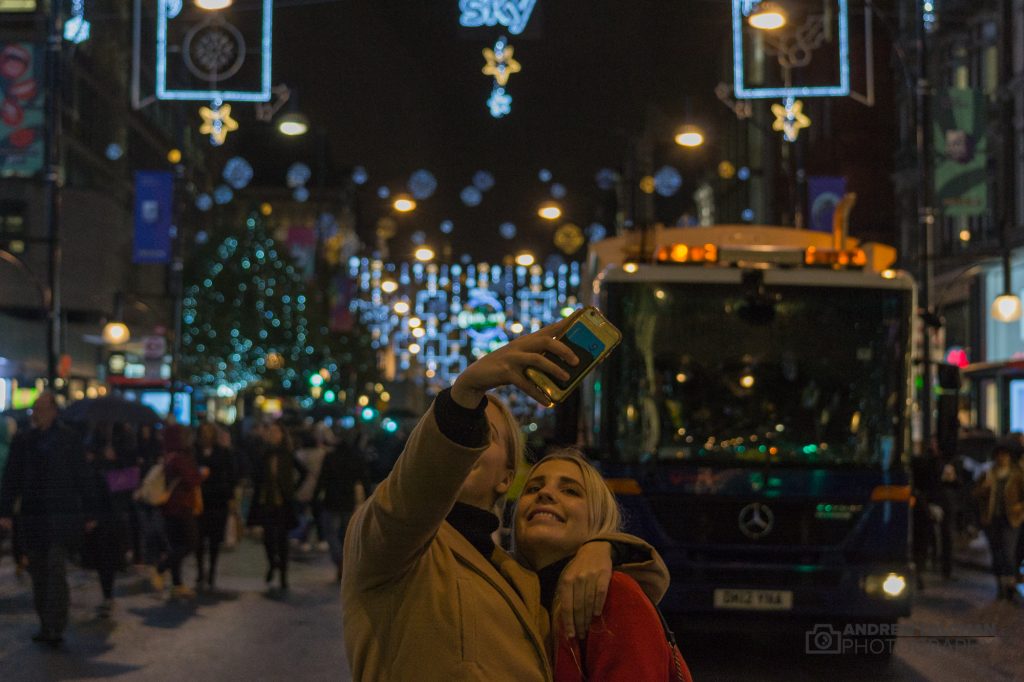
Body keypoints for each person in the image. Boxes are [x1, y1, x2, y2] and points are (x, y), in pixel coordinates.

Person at [342, 320, 668, 681]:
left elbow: (632, 598)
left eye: (486, 434)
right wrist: (465, 393)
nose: (468, 445)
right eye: (468, 430)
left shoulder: (520, 578)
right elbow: (411, 498)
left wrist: (606, 547)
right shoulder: (390, 543)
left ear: (507, 477)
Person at [515, 450, 693, 682]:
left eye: (570, 491)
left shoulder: (612, 593)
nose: (545, 493)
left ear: (597, 518)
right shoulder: (508, 588)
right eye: (533, 488)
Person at [0, 392, 91, 646]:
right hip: (33, 516)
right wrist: (6, 511)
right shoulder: (24, 440)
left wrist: (89, 511)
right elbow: (12, 477)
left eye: (40, 409)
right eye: (35, 409)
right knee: (39, 572)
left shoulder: (67, 439)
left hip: (60, 515)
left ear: (53, 411)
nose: (36, 414)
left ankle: (56, 624)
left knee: (54, 569)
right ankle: (46, 622)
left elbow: (81, 475)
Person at [153, 424, 202, 599]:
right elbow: (192, 480)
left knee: (175, 544)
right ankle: (162, 567)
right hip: (182, 506)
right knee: (190, 542)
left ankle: (177, 584)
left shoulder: (168, 456)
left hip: (168, 508)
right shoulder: (181, 458)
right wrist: (201, 473)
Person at [248, 421, 298, 590]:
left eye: (277, 432)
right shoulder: (264, 454)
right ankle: (272, 563)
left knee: (282, 539)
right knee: (268, 538)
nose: (274, 435)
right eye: (272, 432)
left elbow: (303, 471)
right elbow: (256, 475)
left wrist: (292, 490)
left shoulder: (287, 454)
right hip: (266, 502)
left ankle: (283, 574)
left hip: (282, 503)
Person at [972, 444, 1024, 600]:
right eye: (999, 455)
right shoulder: (989, 473)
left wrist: (1019, 509)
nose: (1002, 458)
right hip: (992, 518)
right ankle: (1001, 585)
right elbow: (975, 494)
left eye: (1005, 455)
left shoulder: (1017, 474)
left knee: (1008, 552)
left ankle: (1010, 585)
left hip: (1011, 519)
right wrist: (984, 489)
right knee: (997, 553)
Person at [314, 429, 366, 582]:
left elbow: (322, 479)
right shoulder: (356, 458)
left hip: (331, 500)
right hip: (347, 500)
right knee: (345, 534)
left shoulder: (331, 457)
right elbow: (364, 478)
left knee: (330, 533)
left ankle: (339, 561)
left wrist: (316, 496)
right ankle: (344, 562)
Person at [195, 422, 237, 590]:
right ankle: (200, 571)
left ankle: (211, 571)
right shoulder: (195, 452)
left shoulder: (223, 453)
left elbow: (231, 475)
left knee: (214, 540)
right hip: (200, 501)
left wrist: (228, 495)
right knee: (199, 539)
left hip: (217, 500)